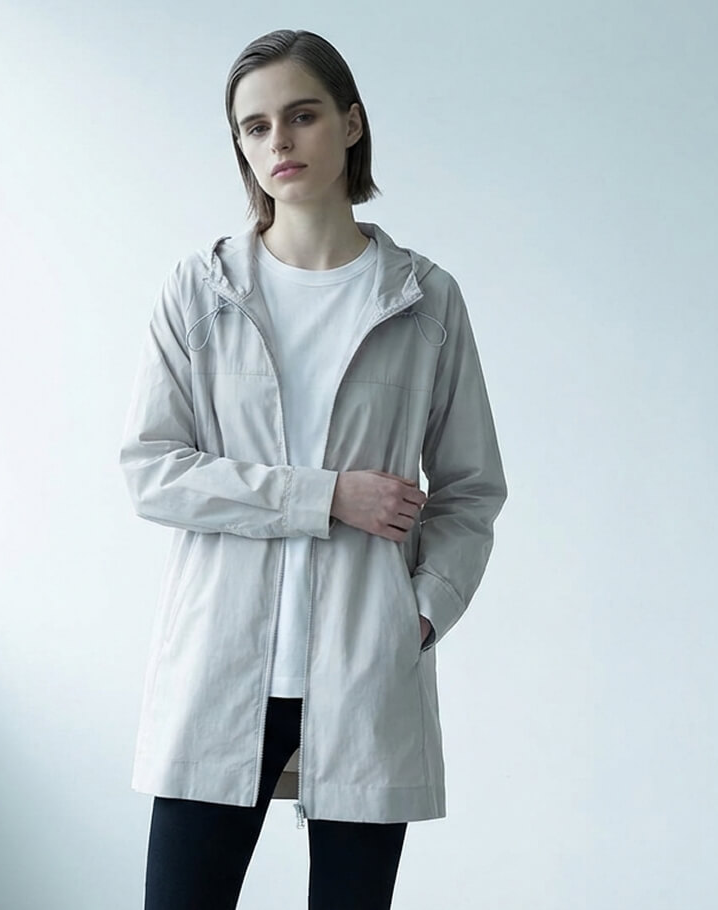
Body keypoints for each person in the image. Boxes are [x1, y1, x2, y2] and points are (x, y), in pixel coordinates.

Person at [120, 28, 507, 910]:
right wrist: (325, 497)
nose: (278, 143)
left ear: (351, 123)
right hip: (220, 663)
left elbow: (472, 487)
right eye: (254, 127)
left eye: (301, 116)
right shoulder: (201, 290)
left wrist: (422, 613)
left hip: (366, 662)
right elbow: (153, 469)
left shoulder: (425, 299)